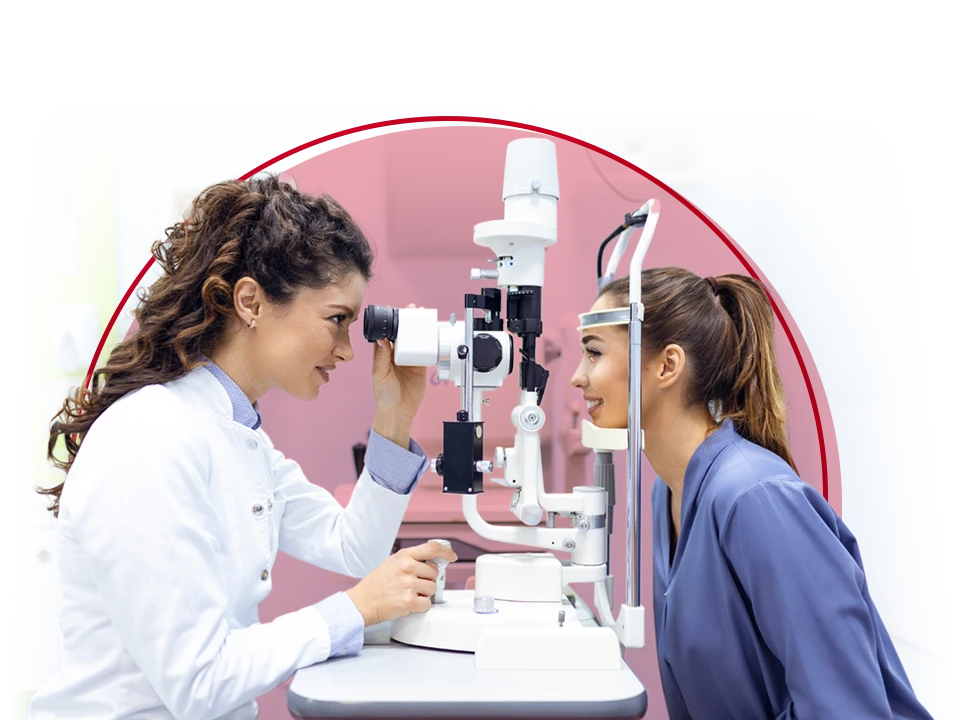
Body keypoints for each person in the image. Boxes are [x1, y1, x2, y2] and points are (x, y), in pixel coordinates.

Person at [28, 173, 456, 720]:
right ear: (251, 302)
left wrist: (395, 415)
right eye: (337, 320)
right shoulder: (152, 438)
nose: (347, 351)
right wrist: (355, 608)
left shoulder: (236, 434)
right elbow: (200, 682)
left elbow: (354, 549)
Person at [570, 267, 933, 720]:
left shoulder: (755, 497)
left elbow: (849, 709)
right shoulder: (666, 493)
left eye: (593, 353)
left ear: (666, 366)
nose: (577, 377)